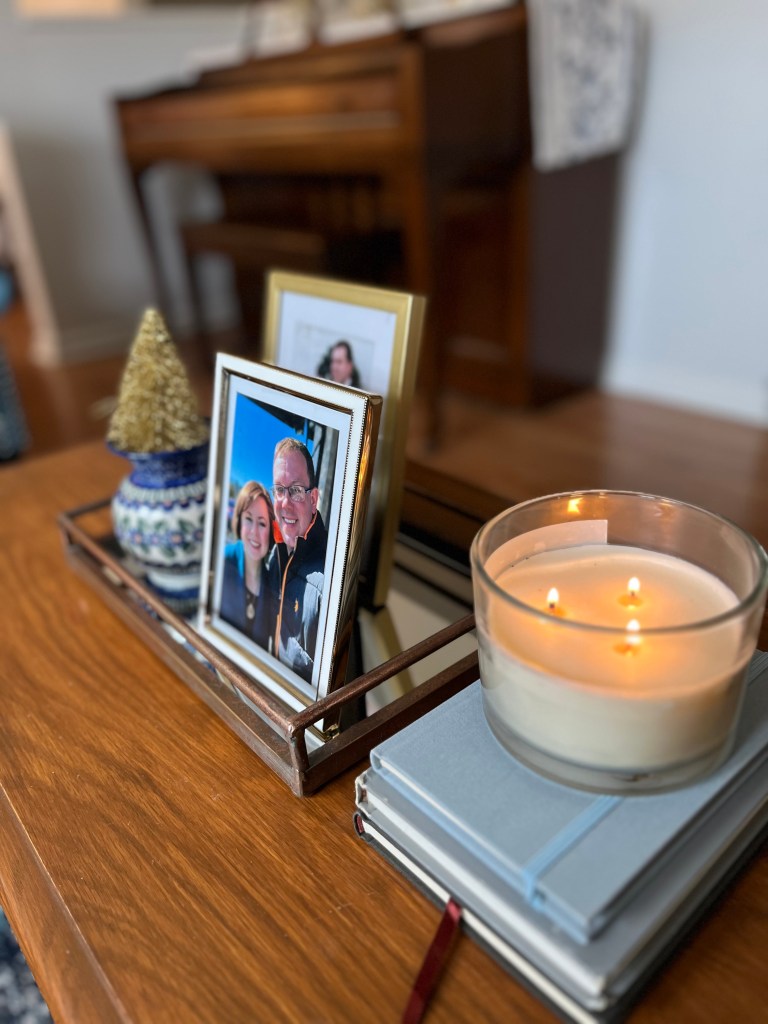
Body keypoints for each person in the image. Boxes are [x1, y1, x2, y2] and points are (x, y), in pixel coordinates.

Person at [268, 438, 328, 684]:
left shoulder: (328, 582)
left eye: (295, 490)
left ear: (313, 500)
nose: (285, 502)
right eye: (279, 490)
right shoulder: (274, 558)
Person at [220, 481, 278, 652]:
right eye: (248, 519)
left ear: (271, 531)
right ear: (239, 522)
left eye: (262, 523)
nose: (254, 532)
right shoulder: (223, 561)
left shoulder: (273, 584)